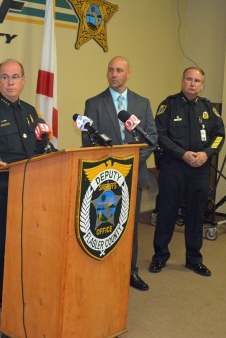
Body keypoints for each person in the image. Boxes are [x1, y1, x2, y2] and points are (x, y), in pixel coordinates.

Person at [0, 59, 54, 327]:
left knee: (16, 246)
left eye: (15, 77)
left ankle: (6, 294)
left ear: (23, 80)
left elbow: (42, 142)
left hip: (28, 187)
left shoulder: (30, 112)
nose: (10, 82)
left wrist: (49, 154)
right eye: (5, 77)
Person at [81, 56, 157, 292]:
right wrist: (113, 165)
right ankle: (105, 272)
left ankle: (130, 272)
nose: (114, 74)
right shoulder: (94, 103)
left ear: (128, 74)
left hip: (134, 175)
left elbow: (152, 139)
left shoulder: (142, 103)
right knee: (105, 228)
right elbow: (88, 140)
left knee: (130, 227)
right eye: (111, 70)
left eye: (119, 70)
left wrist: (132, 160)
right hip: (106, 179)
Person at [149, 67, 225, 277]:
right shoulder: (168, 105)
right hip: (174, 167)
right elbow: (159, 135)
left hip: (199, 169)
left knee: (195, 214)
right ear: (182, 81)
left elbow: (219, 135)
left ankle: (194, 259)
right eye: (189, 79)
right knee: (167, 211)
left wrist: (207, 154)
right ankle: (160, 257)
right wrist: (182, 154)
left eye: (197, 81)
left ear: (202, 85)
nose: (192, 84)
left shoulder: (208, 108)